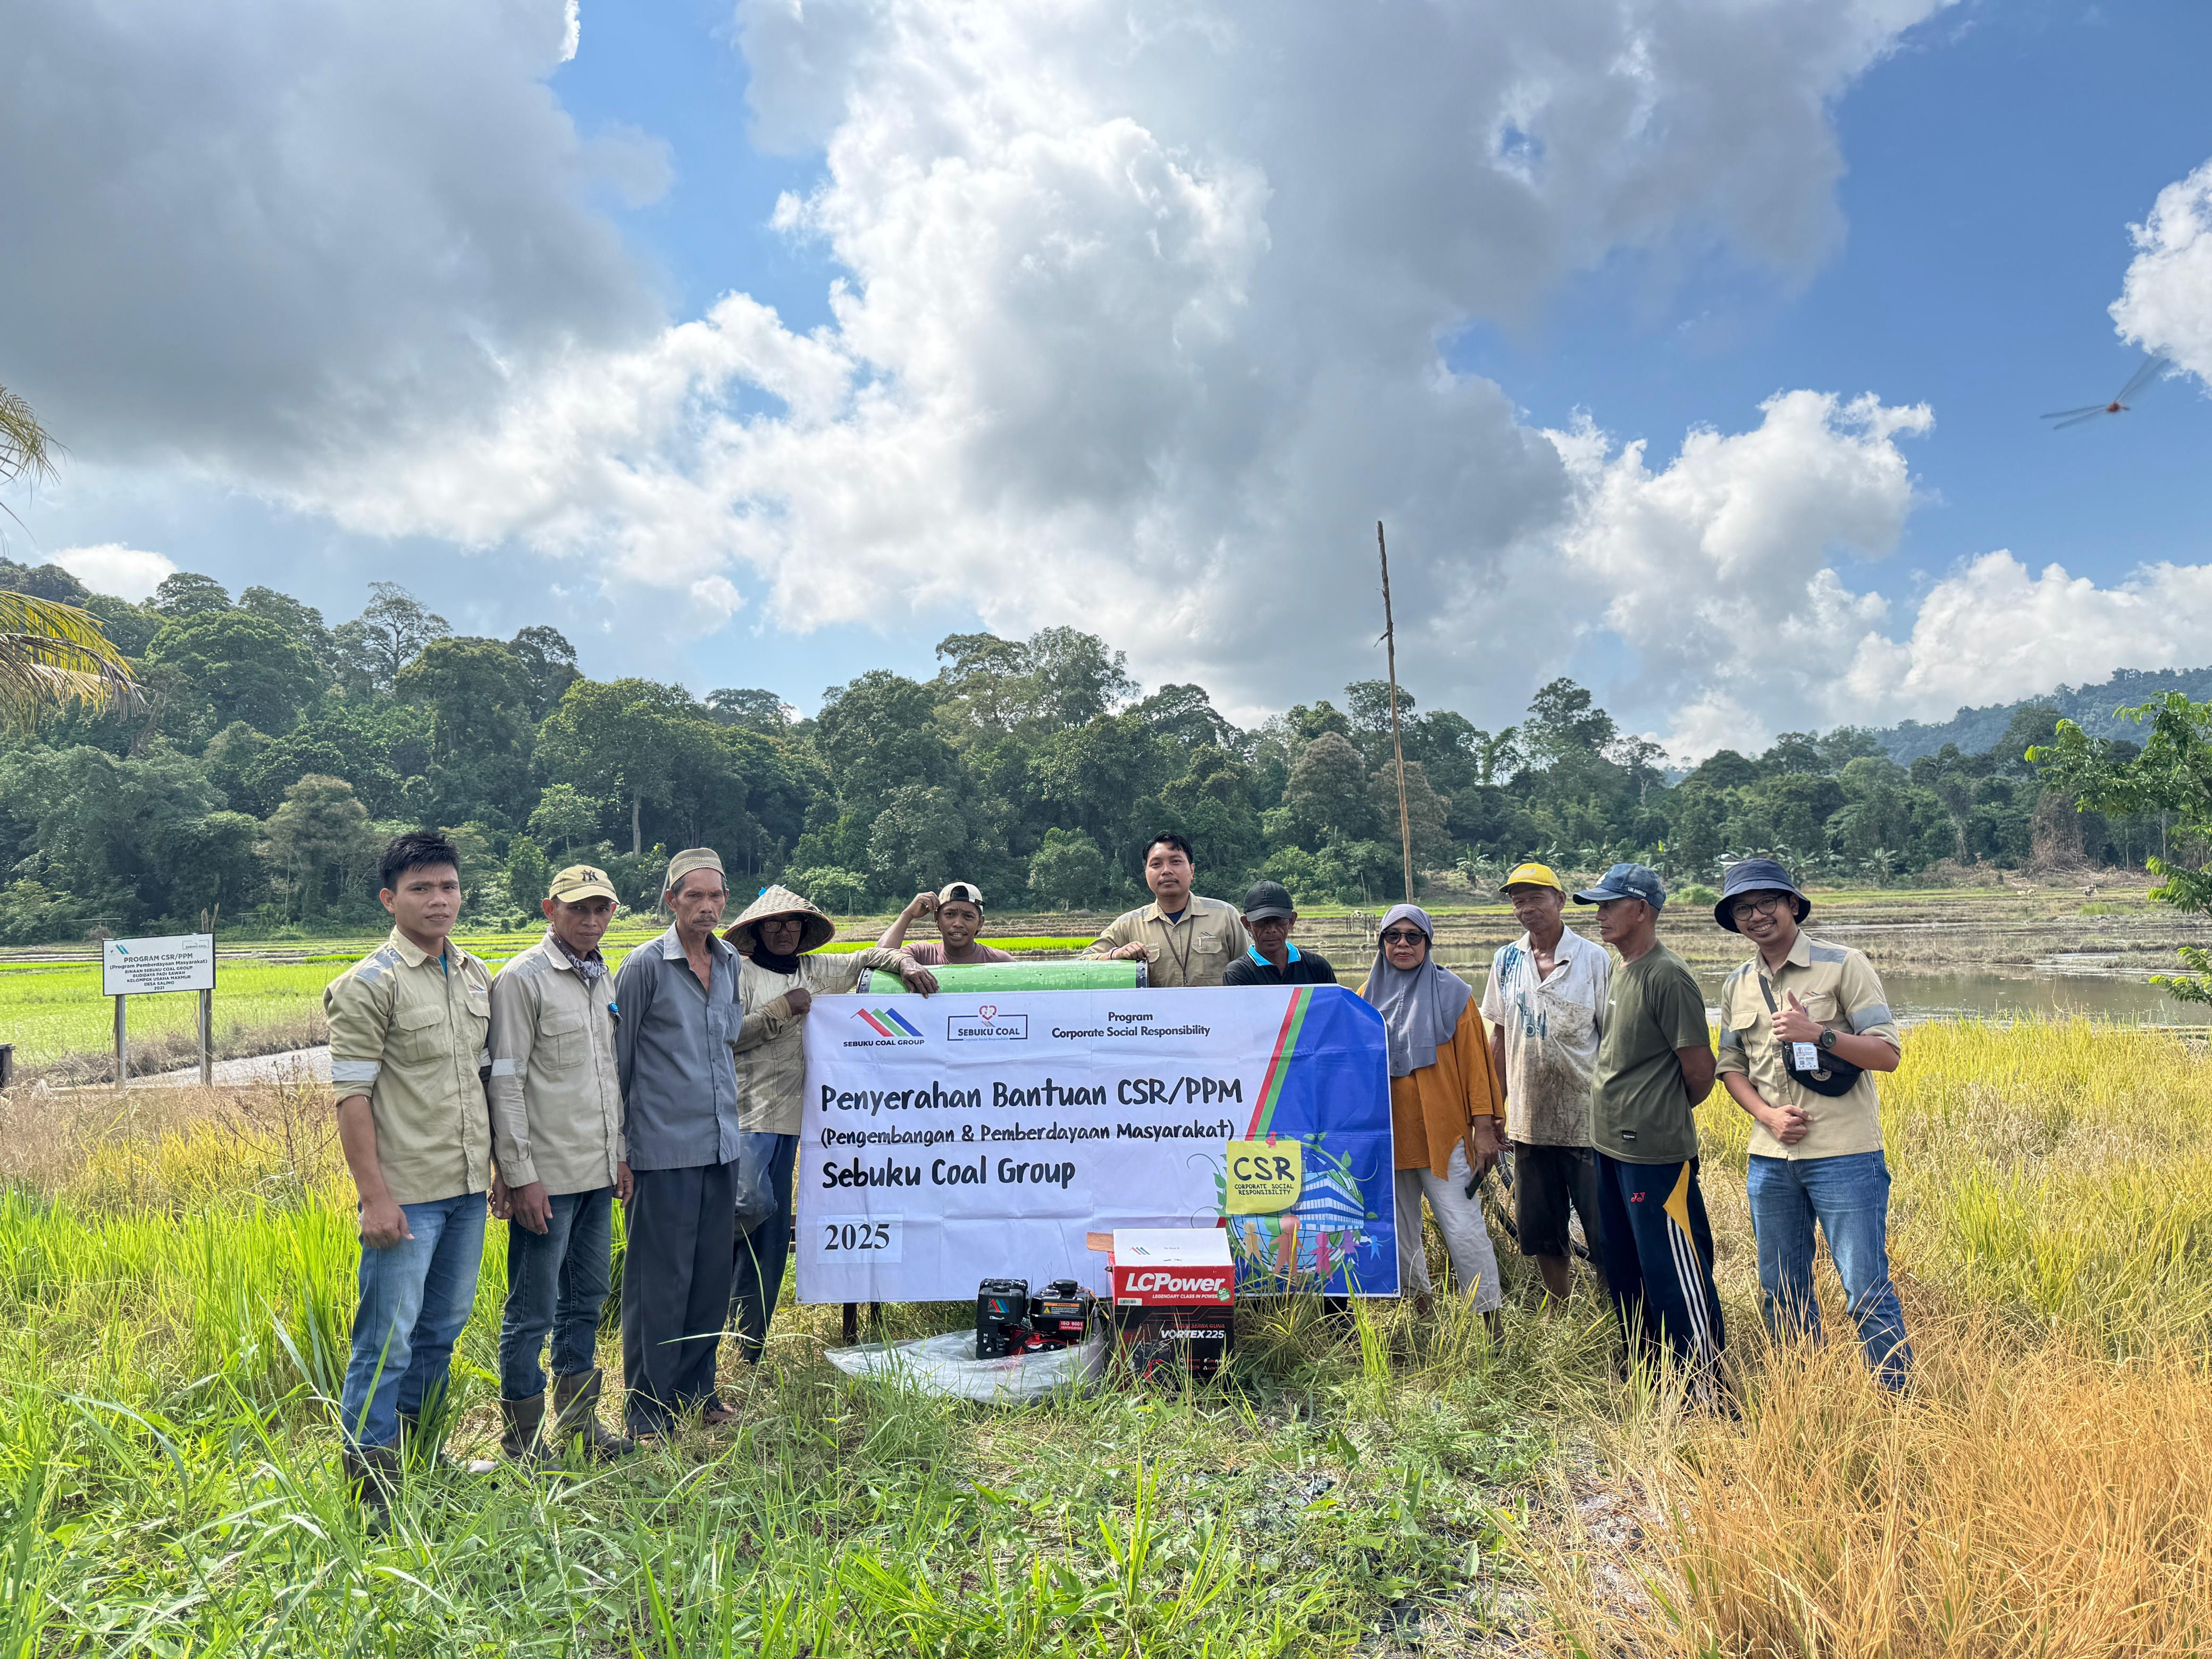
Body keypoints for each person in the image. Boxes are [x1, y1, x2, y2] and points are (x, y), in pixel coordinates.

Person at [324, 830, 497, 1515]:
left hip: (466, 1189)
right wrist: (375, 1198)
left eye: (448, 886)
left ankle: (422, 1459)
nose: (438, 900)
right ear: (388, 899)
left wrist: (500, 1171)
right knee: (385, 1342)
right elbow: (352, 1098)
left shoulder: (475, 975)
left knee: (440, 1332)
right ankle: (370, 1488)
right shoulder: (369, 985)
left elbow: (485, 1081)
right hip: (407, 1197)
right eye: (420, 888)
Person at [1712, 858, 1911, 1389]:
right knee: (1781, 1290)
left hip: (1845, 1155)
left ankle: (1899, 1404)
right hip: (1770, 1159)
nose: (1756, 916)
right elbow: (1730, 1068)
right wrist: (1766, 1116)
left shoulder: (1843, 965)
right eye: (1743, 909)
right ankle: (1804, 1397)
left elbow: (1887, 1054)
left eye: (1766, 902)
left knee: (1865, 1289)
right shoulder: (1736, 984)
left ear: (1792, 905)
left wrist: (1816, 1033)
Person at [724, 884, 937, 1362]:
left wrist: (904, 964)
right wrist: (783, 1009)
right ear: (757, 931)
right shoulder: (739, 974)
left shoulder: (818, 970)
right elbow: (728, 1035)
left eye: (792, 924)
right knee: (747, 1204)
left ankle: (748, 1346)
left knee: (772, 1238)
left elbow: (866, 959)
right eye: (774, 924)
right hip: (746, 1111)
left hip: (795, 1117)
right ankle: (702, 1273)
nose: (783, 932)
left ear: (804, 931)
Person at [485, 862, 634, 1463]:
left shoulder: (601, 976)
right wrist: (519, 1175)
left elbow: (608, 1078)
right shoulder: (523, 979)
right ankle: (522, 1442)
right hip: (546, 1179)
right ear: (550, 910)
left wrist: (618, 1154)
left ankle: (579, 1425)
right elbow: (505, 1081)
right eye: (578, 909)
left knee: (587, 1297)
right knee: (532, 1310)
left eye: (601, 909)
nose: (591, 920)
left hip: (596, 1172)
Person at [1573, 863, 1726, 1397]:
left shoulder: (1667, 975)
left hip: (1653, 1156)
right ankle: (1649, 1375)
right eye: (1597, 906)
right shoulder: (1623, 968)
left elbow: (1699, 1070)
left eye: (1608, 905)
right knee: (1623, 1265)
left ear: (1641, 909)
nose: (1599, 915)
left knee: (1673, 1271)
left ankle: (1703, 1389)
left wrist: (1655, 1113)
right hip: (1609, 1147)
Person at [611, 848, 748, 1436]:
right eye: (694, 896)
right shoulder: (644, 966)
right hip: (661, 1150)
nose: (706, 906)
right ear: (671, 900)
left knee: (710, 1277)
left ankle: (699, 1393)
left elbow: (728, 1045)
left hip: (720, 1145)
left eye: (715, 896)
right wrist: (619, 1151)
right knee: (658, 1283)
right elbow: (617, 1063)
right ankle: (647, 1409)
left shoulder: (730, 961)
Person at [1356, 903, 1507, 1325]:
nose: (1402, 944)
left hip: (1445, 1138)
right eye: (1393, 936)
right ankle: (1423, 1314)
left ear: (1428, 942)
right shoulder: (1365, 998)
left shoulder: (1454, 994)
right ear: (1382, 943)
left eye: (1413, 936)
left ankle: (1490, 1321)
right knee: (1401, 1231)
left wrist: (1484, 1129)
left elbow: (1477, 1069)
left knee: (1464, 1228)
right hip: (1390, 1138)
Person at [1478, 862, 1610, 1308]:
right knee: (1541, 1227)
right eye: (1519, 901)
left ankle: (1613, 1307)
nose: (1526, 907)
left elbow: (1610, 1039)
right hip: (1528, 1121)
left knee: (1602, 1225)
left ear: (1560, 900)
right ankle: (1559, 1306)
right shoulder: (1506, 960)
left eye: (1536, 897)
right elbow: (1500, 1037)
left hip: (1587, 1121)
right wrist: (1495, 1108)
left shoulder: (1593, 959)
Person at [1080, 832, 1252, 987]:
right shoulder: (1128, 925)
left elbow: (1250, 969)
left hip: (1217, 1012)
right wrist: (1114, 955)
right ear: (1146, 874)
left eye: (1175, 862)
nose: (1166, 871)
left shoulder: (1225, 916)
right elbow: (1083, 964)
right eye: (1156, 864)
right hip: (1157, 1014)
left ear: (1192, 870)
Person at [1222, 879, 1337, 986]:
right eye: (1262, 921)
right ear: (1247, 924)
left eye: (1278, 920)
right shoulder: (1239, 973)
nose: (1271, 929)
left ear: (1291, 920)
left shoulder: (1317, 967)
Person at [878, 882, 1015, 965]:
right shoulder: (920, 955)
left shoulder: (1000, 962)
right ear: (937, 918)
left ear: (980, 923)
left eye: (968, 916)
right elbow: (879, 956)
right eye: (950, 914)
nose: (958, 923)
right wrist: (907, 914)